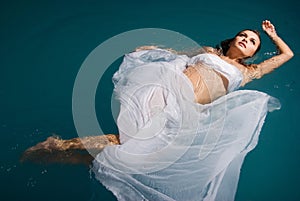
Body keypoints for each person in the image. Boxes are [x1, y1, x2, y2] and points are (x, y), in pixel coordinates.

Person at [22, 20, 293, 200]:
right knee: (130, 144)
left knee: (130, 150)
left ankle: (64, 151)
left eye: (252, 41)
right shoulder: (208, 51)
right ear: (233, 39)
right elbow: (176, 54)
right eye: (243, 35)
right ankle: (62, 148)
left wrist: (273, 36)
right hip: (164, 93)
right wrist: (150, 49)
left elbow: (287, 56)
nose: (246, 39)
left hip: (187, 114)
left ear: (252, 53)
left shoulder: (247, 72)